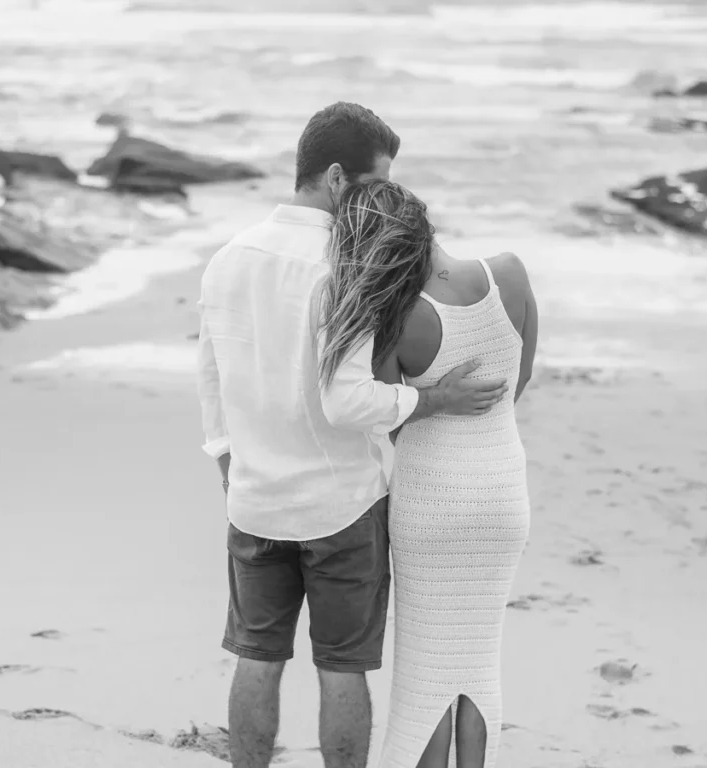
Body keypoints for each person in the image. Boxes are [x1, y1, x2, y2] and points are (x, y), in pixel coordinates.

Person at [195, 102, 511, 768]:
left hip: (253, 500)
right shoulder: (347, 266)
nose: (377, 200)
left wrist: (227, 460)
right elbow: (349, 403)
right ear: (337, 177)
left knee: (256, 657)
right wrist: (436, 398)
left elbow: (211, 374)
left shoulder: (228, 257)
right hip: (341, 506)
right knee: (342, 666)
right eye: (373, 183)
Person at [318, 179, 538, 768]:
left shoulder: (395, 317)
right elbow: (519, 380)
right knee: (480, 663)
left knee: (426, 674)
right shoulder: (510, 273)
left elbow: (392, 417)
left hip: (432, 502)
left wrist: (434, 406)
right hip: (501, 493)